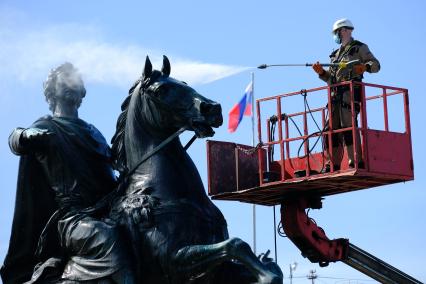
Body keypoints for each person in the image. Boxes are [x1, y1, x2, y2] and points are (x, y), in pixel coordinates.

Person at [1, 63, 135, 283]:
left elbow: (117, 169)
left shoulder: (94, 133)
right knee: (106, 238)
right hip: (73, 219)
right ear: (52, 90)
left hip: (107, 211)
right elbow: (15, 139)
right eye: (65, 79)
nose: (72, 84)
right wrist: (24, 135)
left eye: (76, 80)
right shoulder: (46, 126)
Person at [312, 18, 380, 172]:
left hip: (350, 93)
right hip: (335, 95)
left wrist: (364, 67)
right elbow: (331, 79)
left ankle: (355, 159)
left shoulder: (359, 48)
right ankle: (332, 164)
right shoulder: (335, 55)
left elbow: (376, 65)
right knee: (331, 129)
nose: (336, 36)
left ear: (344, 31)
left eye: (337, 32)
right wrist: (322, 73)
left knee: (348, 125)